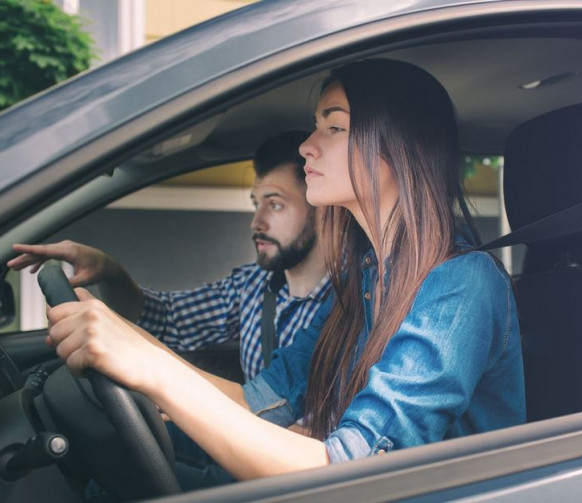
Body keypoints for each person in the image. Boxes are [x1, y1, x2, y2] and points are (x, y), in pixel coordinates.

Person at [43, 58, 525, 484]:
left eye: (333, 128)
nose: (307, 147)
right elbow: (259, 402)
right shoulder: (365, 281)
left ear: (399, 147)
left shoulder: (461, 284)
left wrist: (153, 370)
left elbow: (354, 477)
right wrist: (121, 336)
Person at [8, 131, 331, 382]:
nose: (256, 222)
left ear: (321, 209)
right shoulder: (254, 285)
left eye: (274, 205)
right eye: (255, 203)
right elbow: (167, 319)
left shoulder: (351, 302)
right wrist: (109, 270)